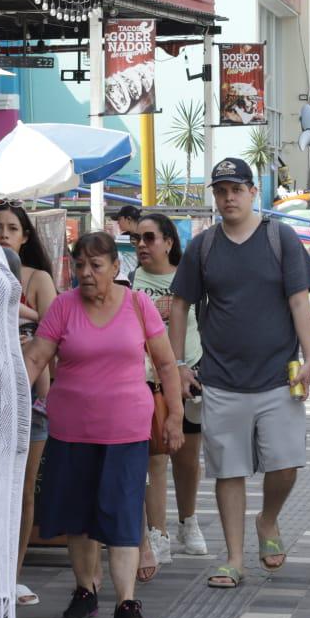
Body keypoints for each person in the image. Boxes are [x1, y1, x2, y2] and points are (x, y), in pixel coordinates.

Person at [169, 158, 310, 589]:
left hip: (279, 375)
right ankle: (233, 558)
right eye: (221, 191)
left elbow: (298, 302)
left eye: (236, 189)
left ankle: (267, 520)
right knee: (228, 470)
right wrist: (179, 365)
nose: (228, 197)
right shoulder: (204, 246)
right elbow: (180, 304)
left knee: (286, 465)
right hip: (220, 378)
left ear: (254, 192)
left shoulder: (280, 238)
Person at [24, 232, 183, 618]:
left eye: (96, 266)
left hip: (126, 430)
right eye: (80, 266)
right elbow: (38, 358)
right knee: (78, 516)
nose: (87, 274)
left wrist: (175, 415)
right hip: (71, 429)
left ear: (116, 267)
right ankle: (85, 591)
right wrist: (6, 399)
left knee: (123, 515)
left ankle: (126, 603)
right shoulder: (63, 306)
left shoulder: (137, 304)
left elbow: (165, 364)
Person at [0, 202, 59, 608]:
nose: (4, 234)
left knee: (23, 487)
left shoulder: (38, 278)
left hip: (30, 395)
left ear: (25, 236)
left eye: (12, 228)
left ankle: (11, 574)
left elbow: (54, 332)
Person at [130, 213, 209, 568]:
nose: (142, 245)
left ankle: (187, 521)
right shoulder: (130, 280)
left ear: (168, 242)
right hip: (145, 378)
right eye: (137, 240)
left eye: (149, 238)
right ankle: (157, 534)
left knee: (187, 457)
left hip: (189, 373)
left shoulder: (188, 279)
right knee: (155, 455)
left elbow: (203, 324)